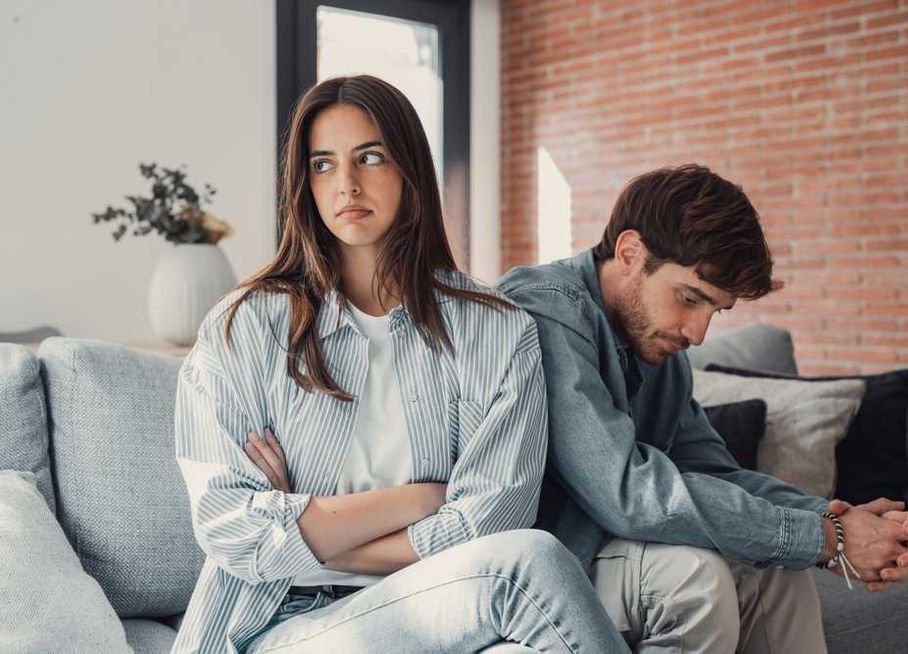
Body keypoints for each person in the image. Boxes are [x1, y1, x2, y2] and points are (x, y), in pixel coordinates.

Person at [172, 75, 629, 653]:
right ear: (303, 183)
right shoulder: (245, 327)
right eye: (323, 165)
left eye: (371, 157)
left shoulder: (496, 330)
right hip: (279, 621)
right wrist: (422, 498)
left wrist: (309, 528)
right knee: (530, 562)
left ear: (409, 168)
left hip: (440, 601)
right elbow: (231, 529)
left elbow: (491, 520)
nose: (347, 184)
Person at [497, 164, 908, 654]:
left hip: (613, 553)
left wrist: (840, 522)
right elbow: (626, 492)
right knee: (697, 578)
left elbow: (715, 472)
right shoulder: (545, 309)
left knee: (780, 576)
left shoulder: (662, 354)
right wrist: (824, 539)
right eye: (689, 299)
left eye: (715, 311)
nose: (698, 333)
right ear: (630, 253)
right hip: (542, 567)